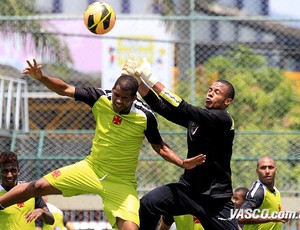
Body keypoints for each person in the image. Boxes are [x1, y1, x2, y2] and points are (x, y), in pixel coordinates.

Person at [0, 59, 206, 230]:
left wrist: (181, 162)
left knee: (131, 228)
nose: (117, 101)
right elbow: (64, 88)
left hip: (121, 182)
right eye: (116, 95)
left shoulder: (145, 116)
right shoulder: (101, 98)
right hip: (90, 168)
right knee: (37, 186)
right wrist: (41, 77)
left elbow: (159, 146)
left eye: (124, 98)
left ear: (134, 98)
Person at [121, 54, 238, 229]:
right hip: (188, 189)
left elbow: (183, 107)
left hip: (215, 200)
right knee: (148, 203)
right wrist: (138, 82)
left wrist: (151, 79)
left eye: (217, 92)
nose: (210, 94)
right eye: (210, 90)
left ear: (227, 101)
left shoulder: (223, 119)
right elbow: (163, 108)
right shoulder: (198, 118)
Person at [0, 151, 54, 230]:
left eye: (13, 170)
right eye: (5, 171)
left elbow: (51, 220)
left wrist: (42, 213)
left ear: (18, 171)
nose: (9, 175)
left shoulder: (29, 190)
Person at [238, 156, 288, 229]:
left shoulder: (276, 192)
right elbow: (241, 217)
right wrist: (271, 218)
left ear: (276, 170)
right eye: (263, 168)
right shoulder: (259, 192)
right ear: (257, 171)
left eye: (270, 167)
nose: (267, 171)